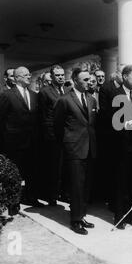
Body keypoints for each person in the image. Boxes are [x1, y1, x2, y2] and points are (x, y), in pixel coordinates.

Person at [54, 68, 97, 235]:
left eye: (89, 79)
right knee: (76, 186)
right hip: (74, 148)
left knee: (86, 186)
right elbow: (58, 127)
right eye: (85, 80)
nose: (89, 82)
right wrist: (67, 144)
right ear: (75, 80)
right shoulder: (64, 100)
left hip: (90, 148)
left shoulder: (92, 99)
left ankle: (82, 214)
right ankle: (75, 220)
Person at [0, 66, 43, 207]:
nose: (29, 76)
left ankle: (31, 197)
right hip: (14, 143)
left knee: (32, 171)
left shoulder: (34, 95)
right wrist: (3, 143)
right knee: (14, 173)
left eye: (29, 74)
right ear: (17, 78)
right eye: (26, 75)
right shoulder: (7, 95)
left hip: (32, 142)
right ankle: (13, 201)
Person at [111, 65, 132, 229]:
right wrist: (123, 124)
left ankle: (131, 215)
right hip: (122, 145)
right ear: (124, 77)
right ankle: (119, 216)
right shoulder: (115, 95)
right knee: (121, 181)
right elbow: (107, 120)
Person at [38, 64, 65, 206]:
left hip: (67, 134)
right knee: (53, 166)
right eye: (57, 75)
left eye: (62, 75)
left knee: (65, 166)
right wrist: (49, 135)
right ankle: (51, 195)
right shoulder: (45, 92)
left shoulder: (67, 90)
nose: (60, 77)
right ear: (52, 77)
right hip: (52, 135)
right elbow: (43, 116)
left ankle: (63, 193)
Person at [95, 70, 123, 204]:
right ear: (117, 74)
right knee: (109, 167)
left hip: (123, 135)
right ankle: (108, 197)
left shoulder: (127, 89)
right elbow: (105, 111)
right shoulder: (107, 88)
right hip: (110, 134)